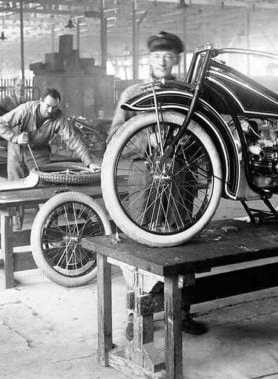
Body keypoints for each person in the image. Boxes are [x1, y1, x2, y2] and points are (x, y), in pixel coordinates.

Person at [108, 31, 208, 338]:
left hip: (181, 174)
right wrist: (144, 137)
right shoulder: (133, 94)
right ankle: (135, 314)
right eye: (155, 56)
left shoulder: (188, 92)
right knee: (139, 242)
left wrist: (184, 141)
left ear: (176, 59)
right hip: (143, 175)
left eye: (167, 56)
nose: (161, 61)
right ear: (148, 59)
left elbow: (205, 133)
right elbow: (114, 135)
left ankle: (183, 312)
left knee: (183, 240)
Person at [0, 88, 100, 229]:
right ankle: (15, 229)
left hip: (39, 151)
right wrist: (15, 138)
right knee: (15, 189)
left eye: (54, 107)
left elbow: (74, 140)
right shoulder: (25, 109)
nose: (50, 111)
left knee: (46, 189)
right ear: (40, 102)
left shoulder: (59, 119)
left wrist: (90, 163)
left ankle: (50, 230)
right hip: (16, 149)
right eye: (48, 106)